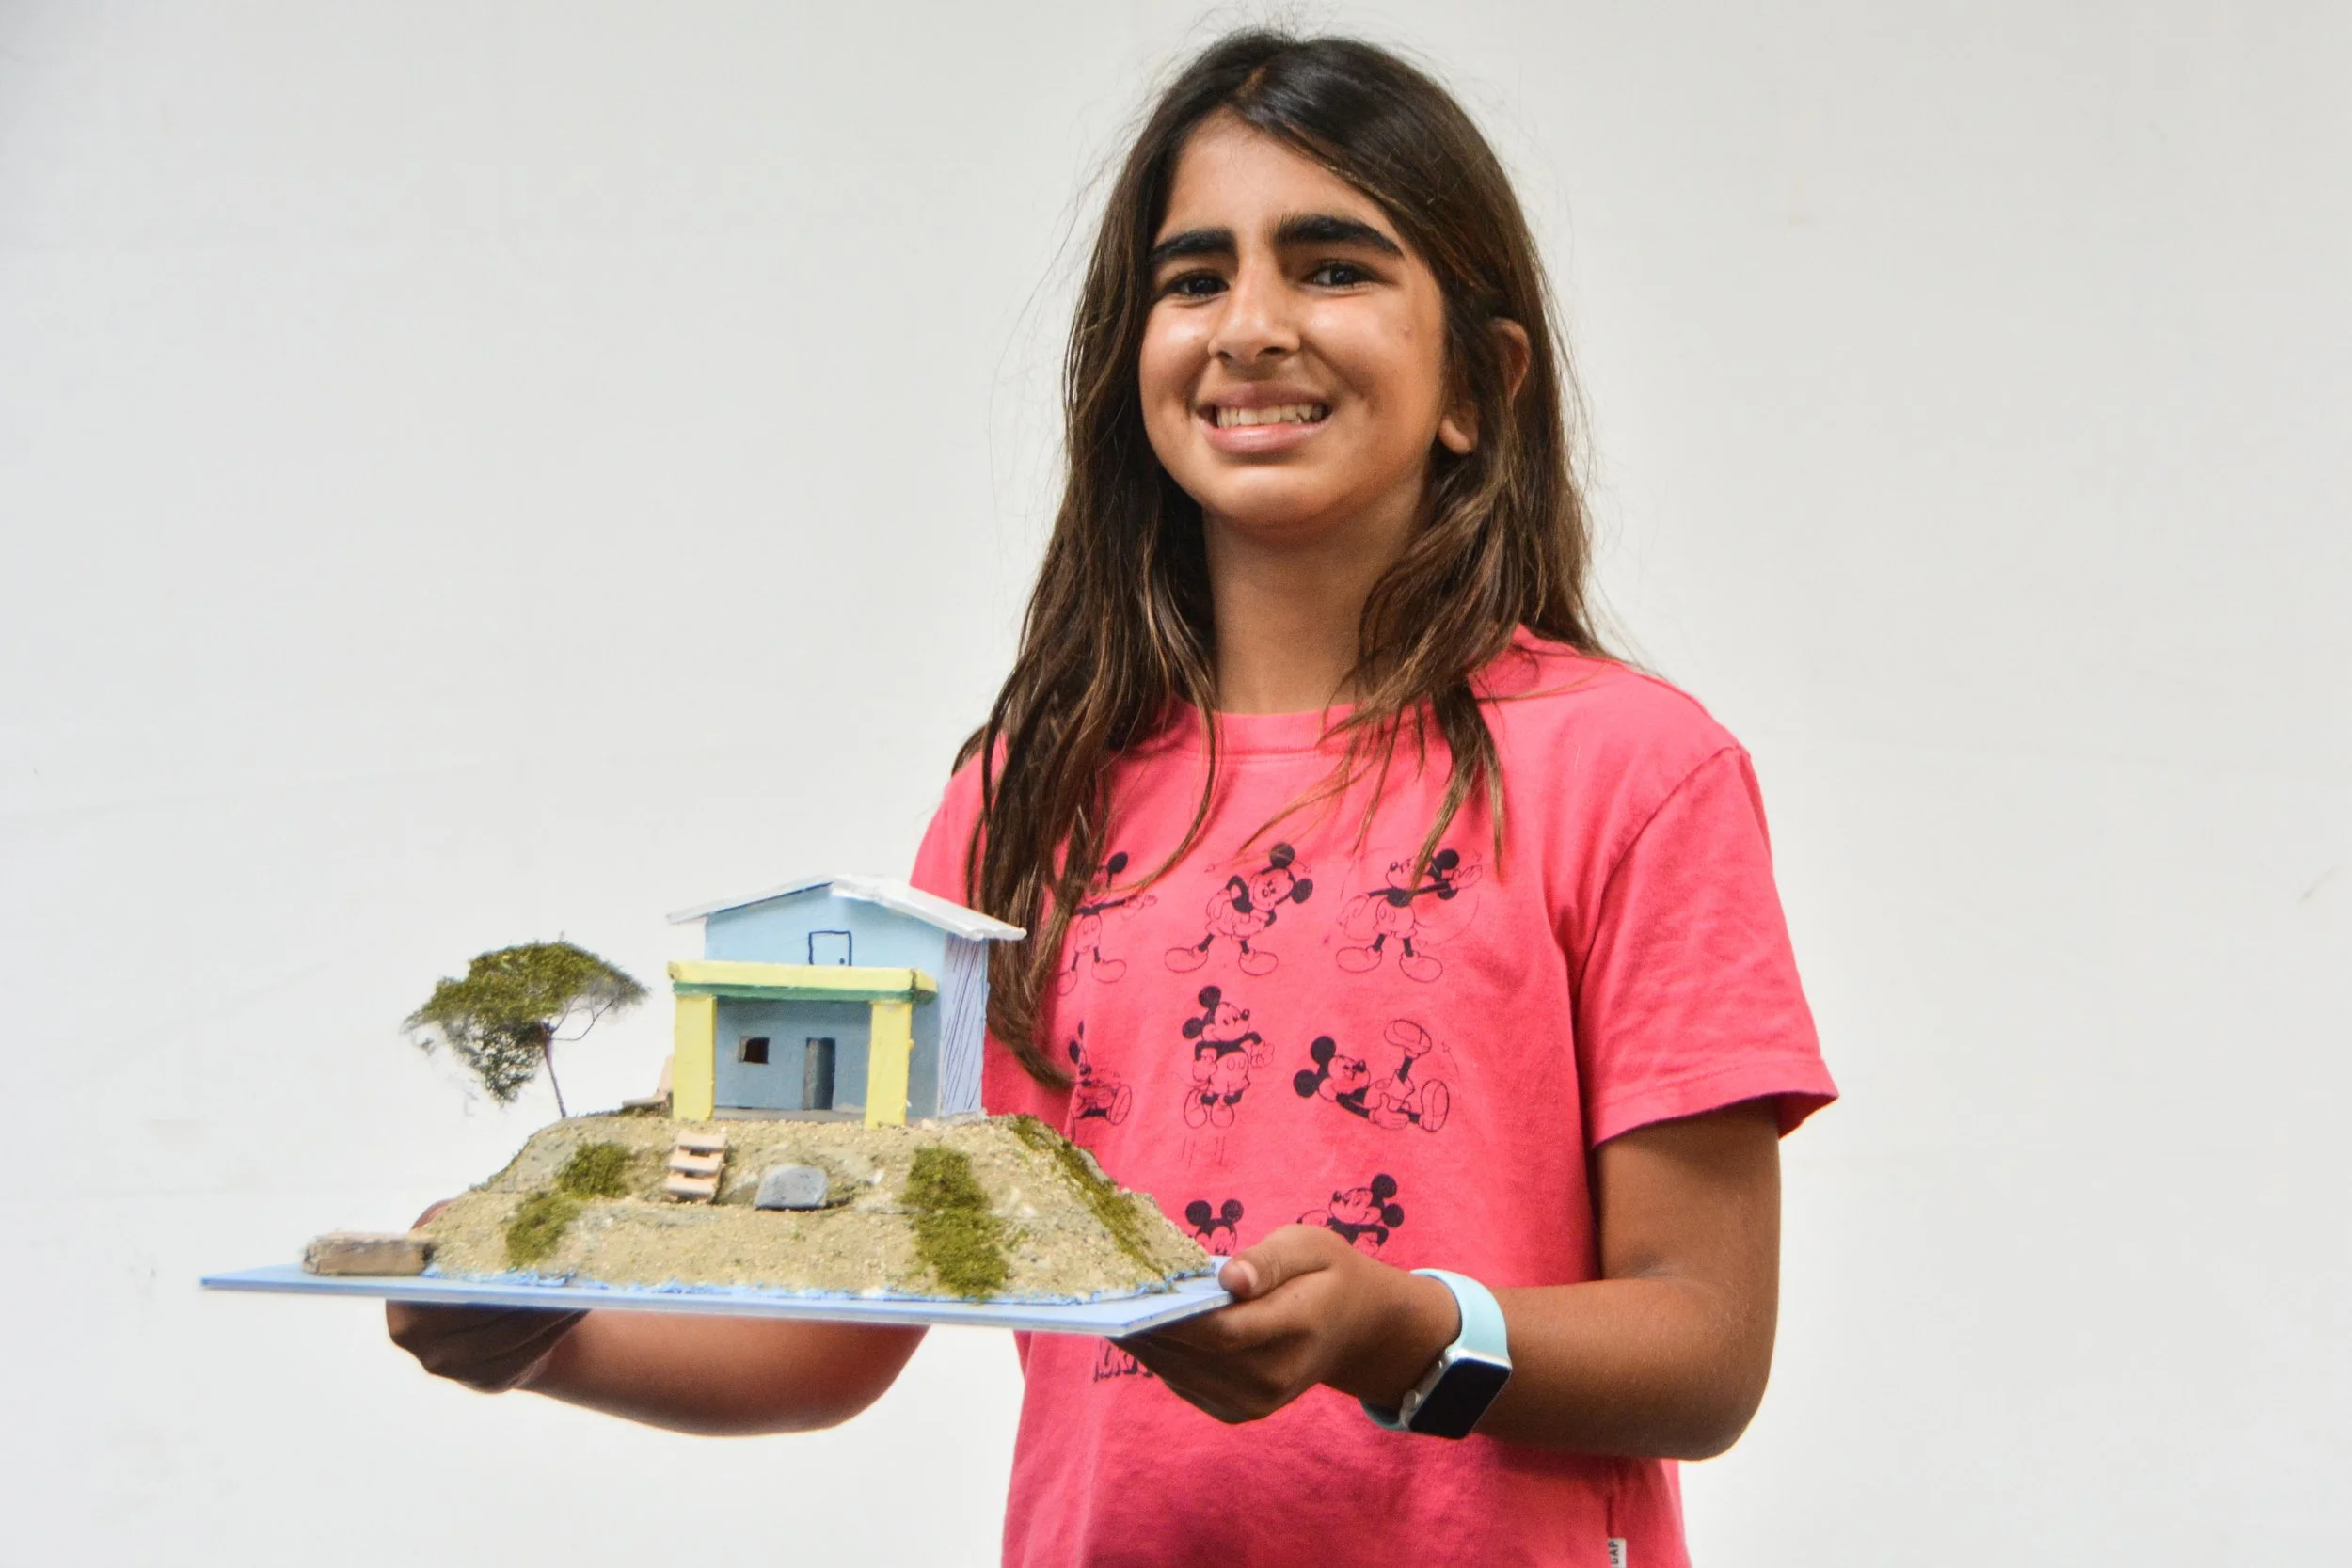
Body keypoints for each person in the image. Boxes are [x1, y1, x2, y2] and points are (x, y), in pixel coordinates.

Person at [389, 30, 1836, 1567]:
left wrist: (1396, 1329)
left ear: (1481, 381)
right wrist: (536, 1334)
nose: (1253, 326)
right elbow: (840, 1325)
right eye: (1195, 277)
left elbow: (1703, 1347)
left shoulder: (1632, 771)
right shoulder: (1024, 804)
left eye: (1334, 266)